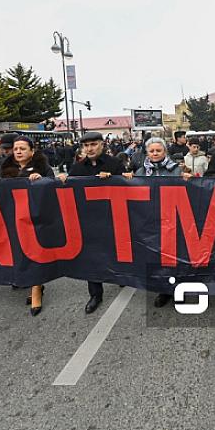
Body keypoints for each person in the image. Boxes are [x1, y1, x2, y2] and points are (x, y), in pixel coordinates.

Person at [0, 136, 54, 315]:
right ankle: (24, 278)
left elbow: (53, 188)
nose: (18, 152)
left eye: (23, 148)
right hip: (11, 216)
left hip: (34, 216)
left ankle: (36, 289)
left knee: (35, 252)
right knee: (18, 251)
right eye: (16, 149)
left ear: (32, 151)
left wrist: (41, 180)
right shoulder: (4, 166)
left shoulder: (42, 167)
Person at [58, 132, 125, 314]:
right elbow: (69, 190)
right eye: (86, 146)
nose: (90, 148)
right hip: (88, 220)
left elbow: (128, 186)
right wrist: (64, 181)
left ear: (102, 145)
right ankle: (95, 294)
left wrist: (113, 179)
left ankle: (120, 275)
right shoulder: (78, 167)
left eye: (94, 144)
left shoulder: (114, 163)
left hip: (112, 218)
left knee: (116, 250)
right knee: (91, 257)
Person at [124, 137, 192, 309]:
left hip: (174, 220)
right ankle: (164, 291)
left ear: (165, 152)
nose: (155, 154)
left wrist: (189, 179)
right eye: (152, 151)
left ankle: (178, 290)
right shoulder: (140, 172)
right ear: (147, 153)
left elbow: (189, 191)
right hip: (152, 222)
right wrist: (128, 180)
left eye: (158, 151)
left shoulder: (176, 170)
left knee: (177, 258)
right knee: (158, 258)